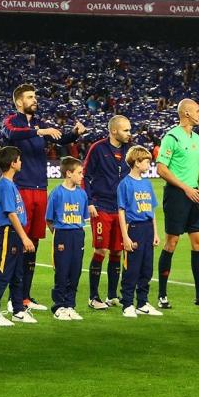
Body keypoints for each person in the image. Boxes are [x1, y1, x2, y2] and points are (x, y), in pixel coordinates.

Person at [1, 85, 80, 312]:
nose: (34, 100)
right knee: (19, 243)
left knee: (33, 244)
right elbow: (12, 134)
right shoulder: (12, 122)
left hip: (40, 188)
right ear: (18, 102)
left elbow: (60, 138)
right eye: (29, 97)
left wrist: (74, 134)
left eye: (35, 96)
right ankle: (13, 297)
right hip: (22, 188)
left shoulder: (39, 125)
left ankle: (25, 296)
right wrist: (40, 132)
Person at [155, 98, 199, 308]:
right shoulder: (171, 137)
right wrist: (186, 188)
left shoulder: (197, 138)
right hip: (177, 195)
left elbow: (197, 168)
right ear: (186, 113)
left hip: (195, 195)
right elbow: (161, 168)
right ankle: (162, 295)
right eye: (197, 111)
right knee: (172, 242)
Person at [82, 114, 131, 310]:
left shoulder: (130, 150)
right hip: (101, 205)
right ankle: (93, 297)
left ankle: (112, 295)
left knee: (117, 250)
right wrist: (90, 201)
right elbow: (86, 175)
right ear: (113, 131)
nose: (129, 133)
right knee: (100, 249)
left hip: (121, 208)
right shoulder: (98, 148)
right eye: (126, 130)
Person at [0, 147, 35, 326]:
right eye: (19, 160)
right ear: (13, 163)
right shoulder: (5, 185)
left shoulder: (10, 183)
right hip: (10, 232)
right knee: (4, 272)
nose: (21, 162)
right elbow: (11, 214)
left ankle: (18, 311)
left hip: (14, 233)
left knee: (17, 274)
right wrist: (24, 237)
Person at [118, 146, 162, 317]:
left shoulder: (147, 183)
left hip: (147, 228)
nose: (149, 165)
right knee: (132, 268)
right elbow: (121, 211)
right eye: (146, 161)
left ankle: (142, 302)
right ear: (136, 162)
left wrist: (156, 233)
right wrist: (125, 236)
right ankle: (127, 304)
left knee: (146, 268)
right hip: (134, 228)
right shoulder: (125, 184)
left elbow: (152, 210)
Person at [45, 156, 91, 320]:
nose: (82, 176)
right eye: (79, 172)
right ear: (69, 173)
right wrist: (58, 235)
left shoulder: (82, 194)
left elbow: (83, 217)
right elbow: (49, 219)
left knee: (75, 272)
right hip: (62, 235)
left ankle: (70, 305)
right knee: (62, 272)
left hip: (78, 235)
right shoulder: (56, 193)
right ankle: (59, 306)